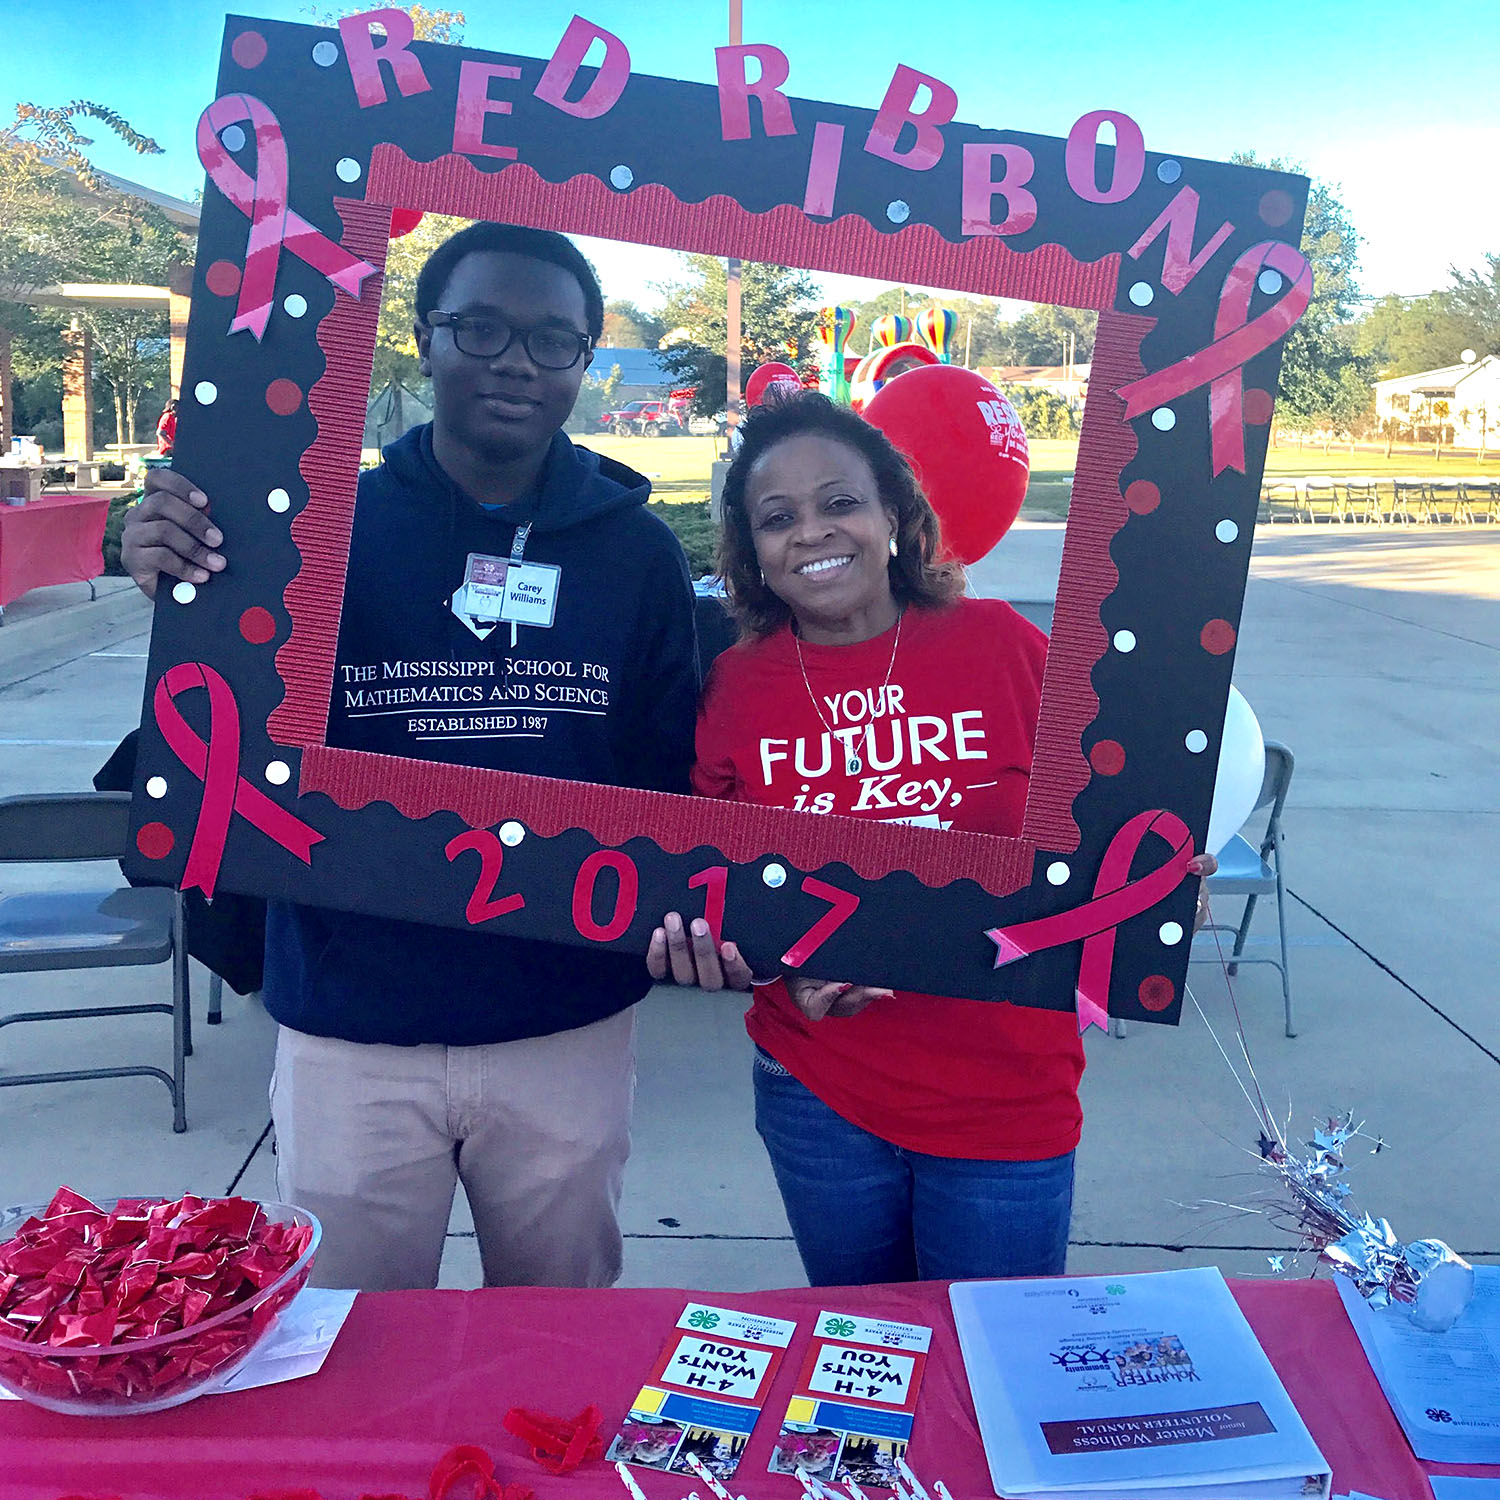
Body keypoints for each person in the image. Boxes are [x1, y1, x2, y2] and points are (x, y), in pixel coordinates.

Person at [121, 222, 699, 1292]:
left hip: (561, 1019)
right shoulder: (302, 530)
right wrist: (182, 579)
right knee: (349, 1362)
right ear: (425, 341)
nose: (516, 359)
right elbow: (222, 736)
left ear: (584, 361)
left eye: (553, 340)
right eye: (480, 327)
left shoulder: (637, 552)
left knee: (558, 1346)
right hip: (353, 1019)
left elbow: (674, 780)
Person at [648, 392, 1213, 1285]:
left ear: (894, 516)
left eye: (840, 502)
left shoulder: (1002, 646)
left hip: (1006, 1094)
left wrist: (1155, 884)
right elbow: (716, 880)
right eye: (776, 517)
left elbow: (1104, 841)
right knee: (857, 1357)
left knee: (990, 1363)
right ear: (750, 551)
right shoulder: (737, 686)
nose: (810, 533)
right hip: (818, 1090)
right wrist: (765, 958)